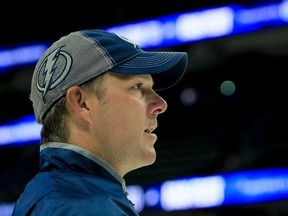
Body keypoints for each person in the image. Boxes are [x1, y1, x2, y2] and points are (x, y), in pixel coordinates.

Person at [12, 29, 188, 215]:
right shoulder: (86, 208)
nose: (161, 104)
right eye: (137, 87)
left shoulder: (46, 196)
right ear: (82, 103)